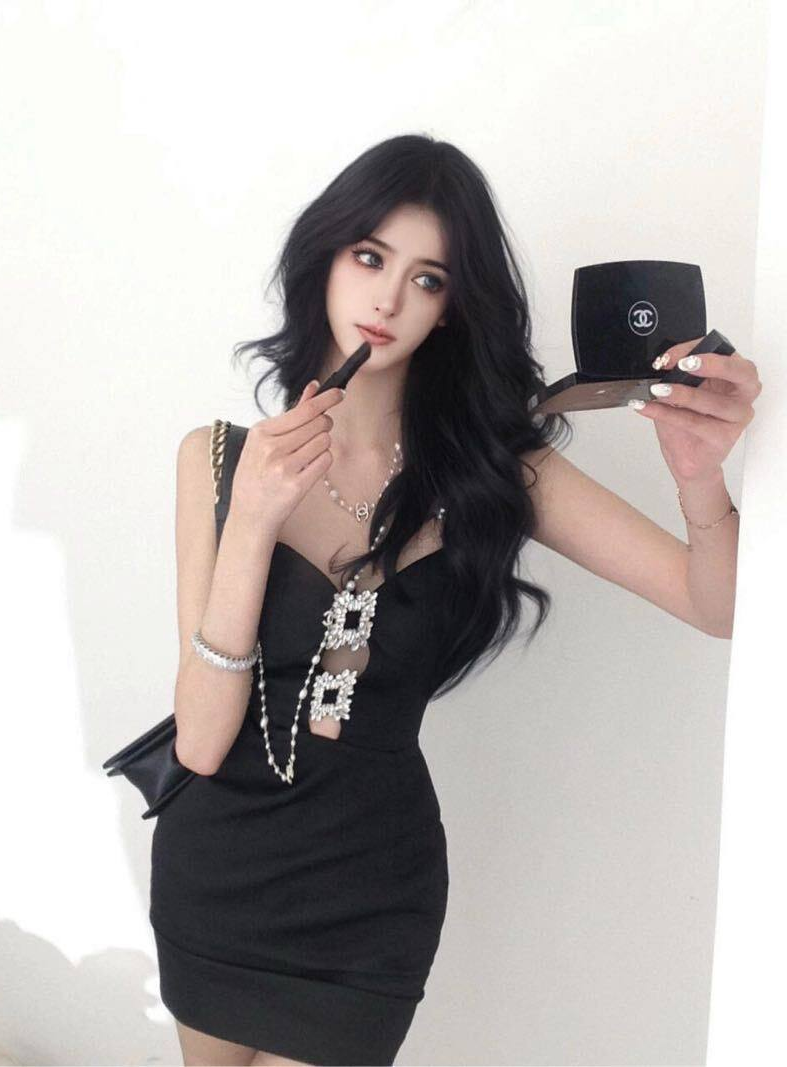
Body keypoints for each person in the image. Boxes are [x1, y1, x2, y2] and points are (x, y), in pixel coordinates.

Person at [148, 134, 752, 1067]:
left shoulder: (496, 474)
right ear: (325, 257)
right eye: (370, 256)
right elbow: (198, 740)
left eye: (427, 278)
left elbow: (716, 606)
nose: (389, 299)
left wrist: (698, 476)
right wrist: (256, 517)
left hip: (366, 900)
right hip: (216, 875)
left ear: (451, 308)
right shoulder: (218, 458)